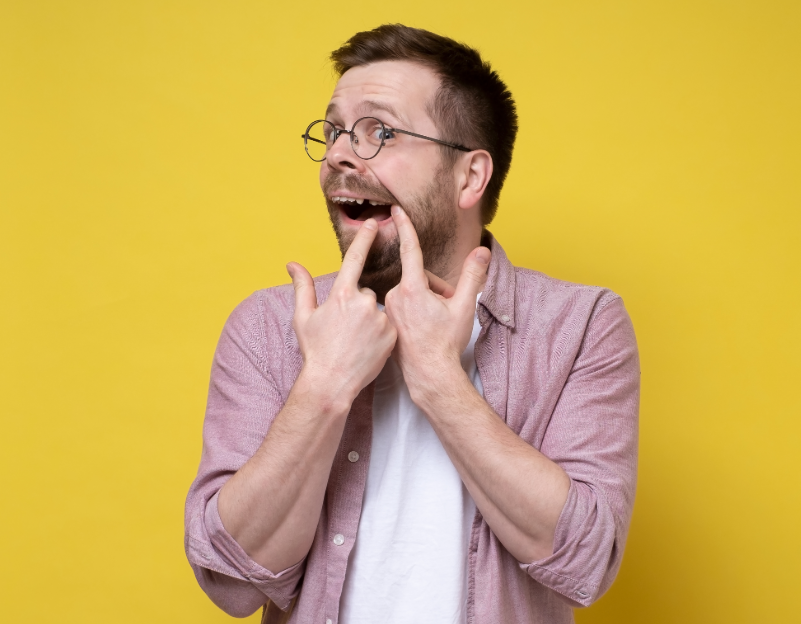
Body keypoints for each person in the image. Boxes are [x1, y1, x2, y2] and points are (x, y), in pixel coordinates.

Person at [184, 24, 640, 624]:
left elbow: (585, 563)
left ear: (469, 177)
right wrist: (322, 388)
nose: (342, 154)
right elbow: (231, 581)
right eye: (336, 131)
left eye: (381, 131)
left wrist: (439, 380)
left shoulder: (579, 325)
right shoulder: (270, 327)